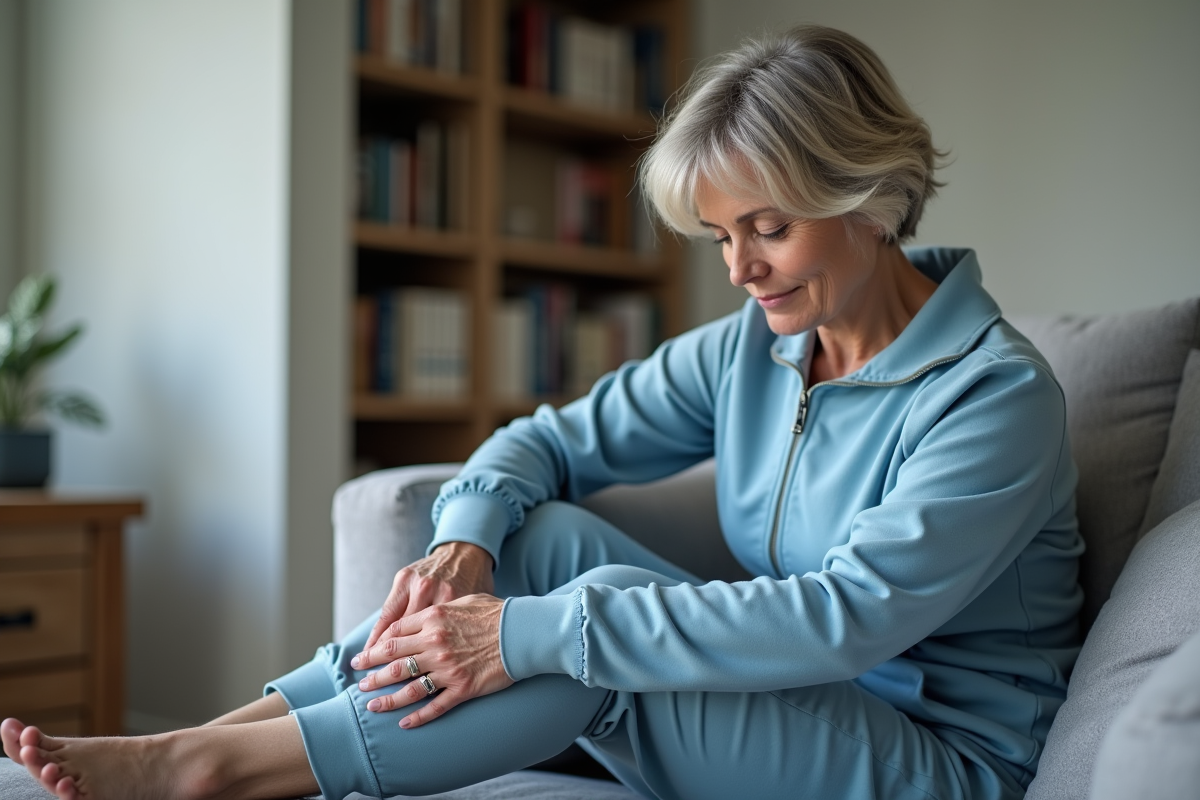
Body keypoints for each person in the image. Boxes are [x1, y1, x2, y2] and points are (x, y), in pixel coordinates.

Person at [1, 24, 1083, 800]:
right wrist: (468, 541)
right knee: (541, 531)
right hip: (799, 700)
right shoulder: (763, 349)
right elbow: (546, 439)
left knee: (584, 618)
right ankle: (221, 732)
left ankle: (213, 771)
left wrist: (532, 630)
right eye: (719, 237)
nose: (742, 269)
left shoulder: (993, 398)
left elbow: (845, 616)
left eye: (768, 227)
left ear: (870, 194)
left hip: (932, 761)